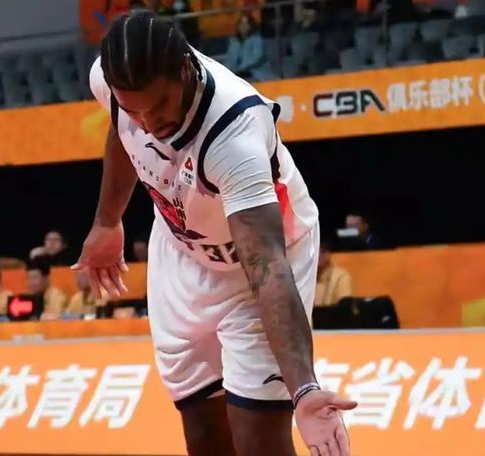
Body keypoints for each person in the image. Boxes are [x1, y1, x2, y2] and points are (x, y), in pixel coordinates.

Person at [76, 11, 355, 456]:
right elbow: (123, 132)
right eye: (135, 110)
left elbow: (266, 266)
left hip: (262, 264)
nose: (148, 124)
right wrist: (107, 221)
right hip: (183, 250)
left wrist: (303, 388)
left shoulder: (234, 132)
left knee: (257, 438)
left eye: (158, 108)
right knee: (203, 429)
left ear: (185, 70)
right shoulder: (111, 82)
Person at [224, 13, 276, 82]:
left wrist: (240, 68)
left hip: (255, 73)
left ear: (251, 26)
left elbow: (257, 58)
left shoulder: (257, 39)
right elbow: (230, 58)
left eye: (246, 24)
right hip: (237, 74)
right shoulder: (234, 41)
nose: (243, 27)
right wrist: (227, 70)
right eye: (241, 24)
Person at [315, 239, 353, 307]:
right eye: (316, 250)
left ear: (329, 253)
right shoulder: (304, 277)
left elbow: (345, 308)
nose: (319, 254)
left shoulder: (341, 277)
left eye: (323, 251)